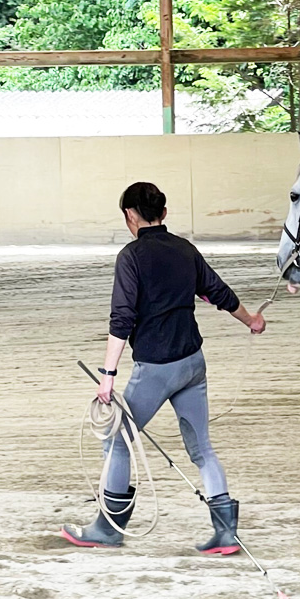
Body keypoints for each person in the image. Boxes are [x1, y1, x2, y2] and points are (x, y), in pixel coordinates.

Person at [61, 182, 266, 554]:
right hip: (192, 362)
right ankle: (225, 533)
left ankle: (108, 529)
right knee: (202, 448)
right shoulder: (185, 249)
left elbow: (122, 318)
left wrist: (108, 376)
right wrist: (250, 319)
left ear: (130, 215)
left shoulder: (131, 256)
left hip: (157, 367)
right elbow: (218, 292)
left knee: (117, 441)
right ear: (164, 213)